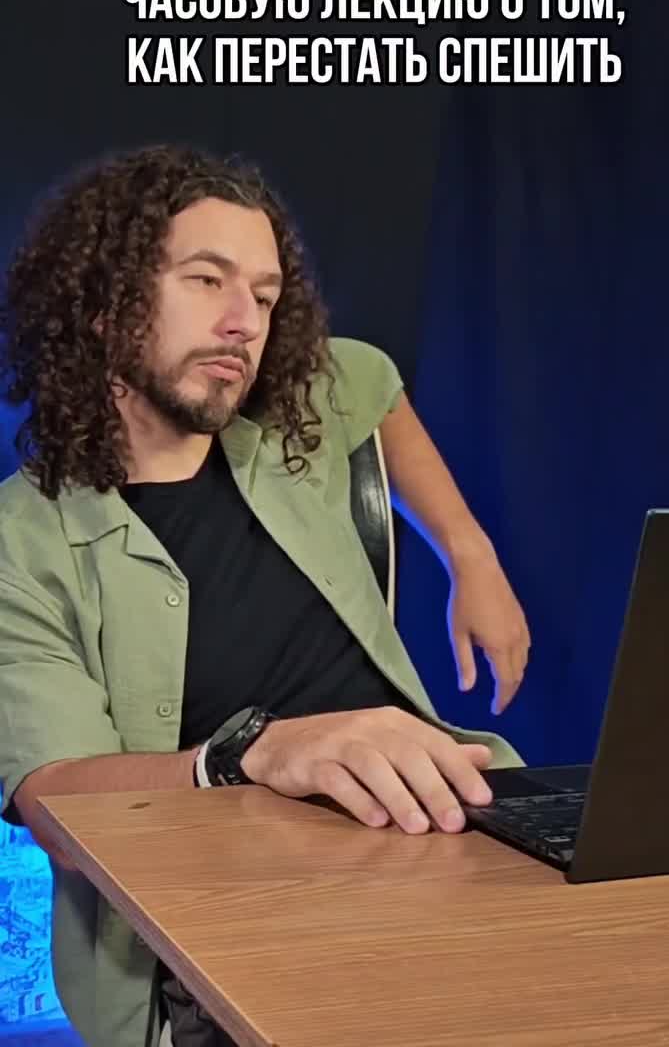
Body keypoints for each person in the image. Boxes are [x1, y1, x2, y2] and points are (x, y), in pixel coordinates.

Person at [0, 145, 529, 1047]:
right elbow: (54, 798)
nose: (245, 322)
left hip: (452, 836)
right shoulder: (24, 540)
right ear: (101, 304)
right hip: (236, 929)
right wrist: (249, 754)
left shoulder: (288, 423)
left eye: (266, 295)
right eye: (207, 280)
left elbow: (370, 379)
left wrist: (470, 555)